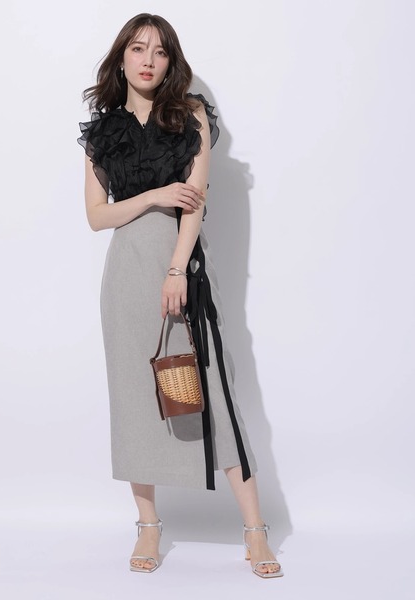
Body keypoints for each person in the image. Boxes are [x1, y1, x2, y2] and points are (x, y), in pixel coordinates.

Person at [77, 13, 283, 578]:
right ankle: (148, 525)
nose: (148, 59)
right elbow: (96, 216)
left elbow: (194, 205)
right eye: (137, 48)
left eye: (160, 51)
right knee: (133, 397)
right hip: (125, 273)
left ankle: (255, 530)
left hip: (178, 265)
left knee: (212, 389)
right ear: (121, 58)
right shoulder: (102, 132)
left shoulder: (189, 115)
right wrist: (152, 196)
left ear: (172, 61)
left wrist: (176, 271)